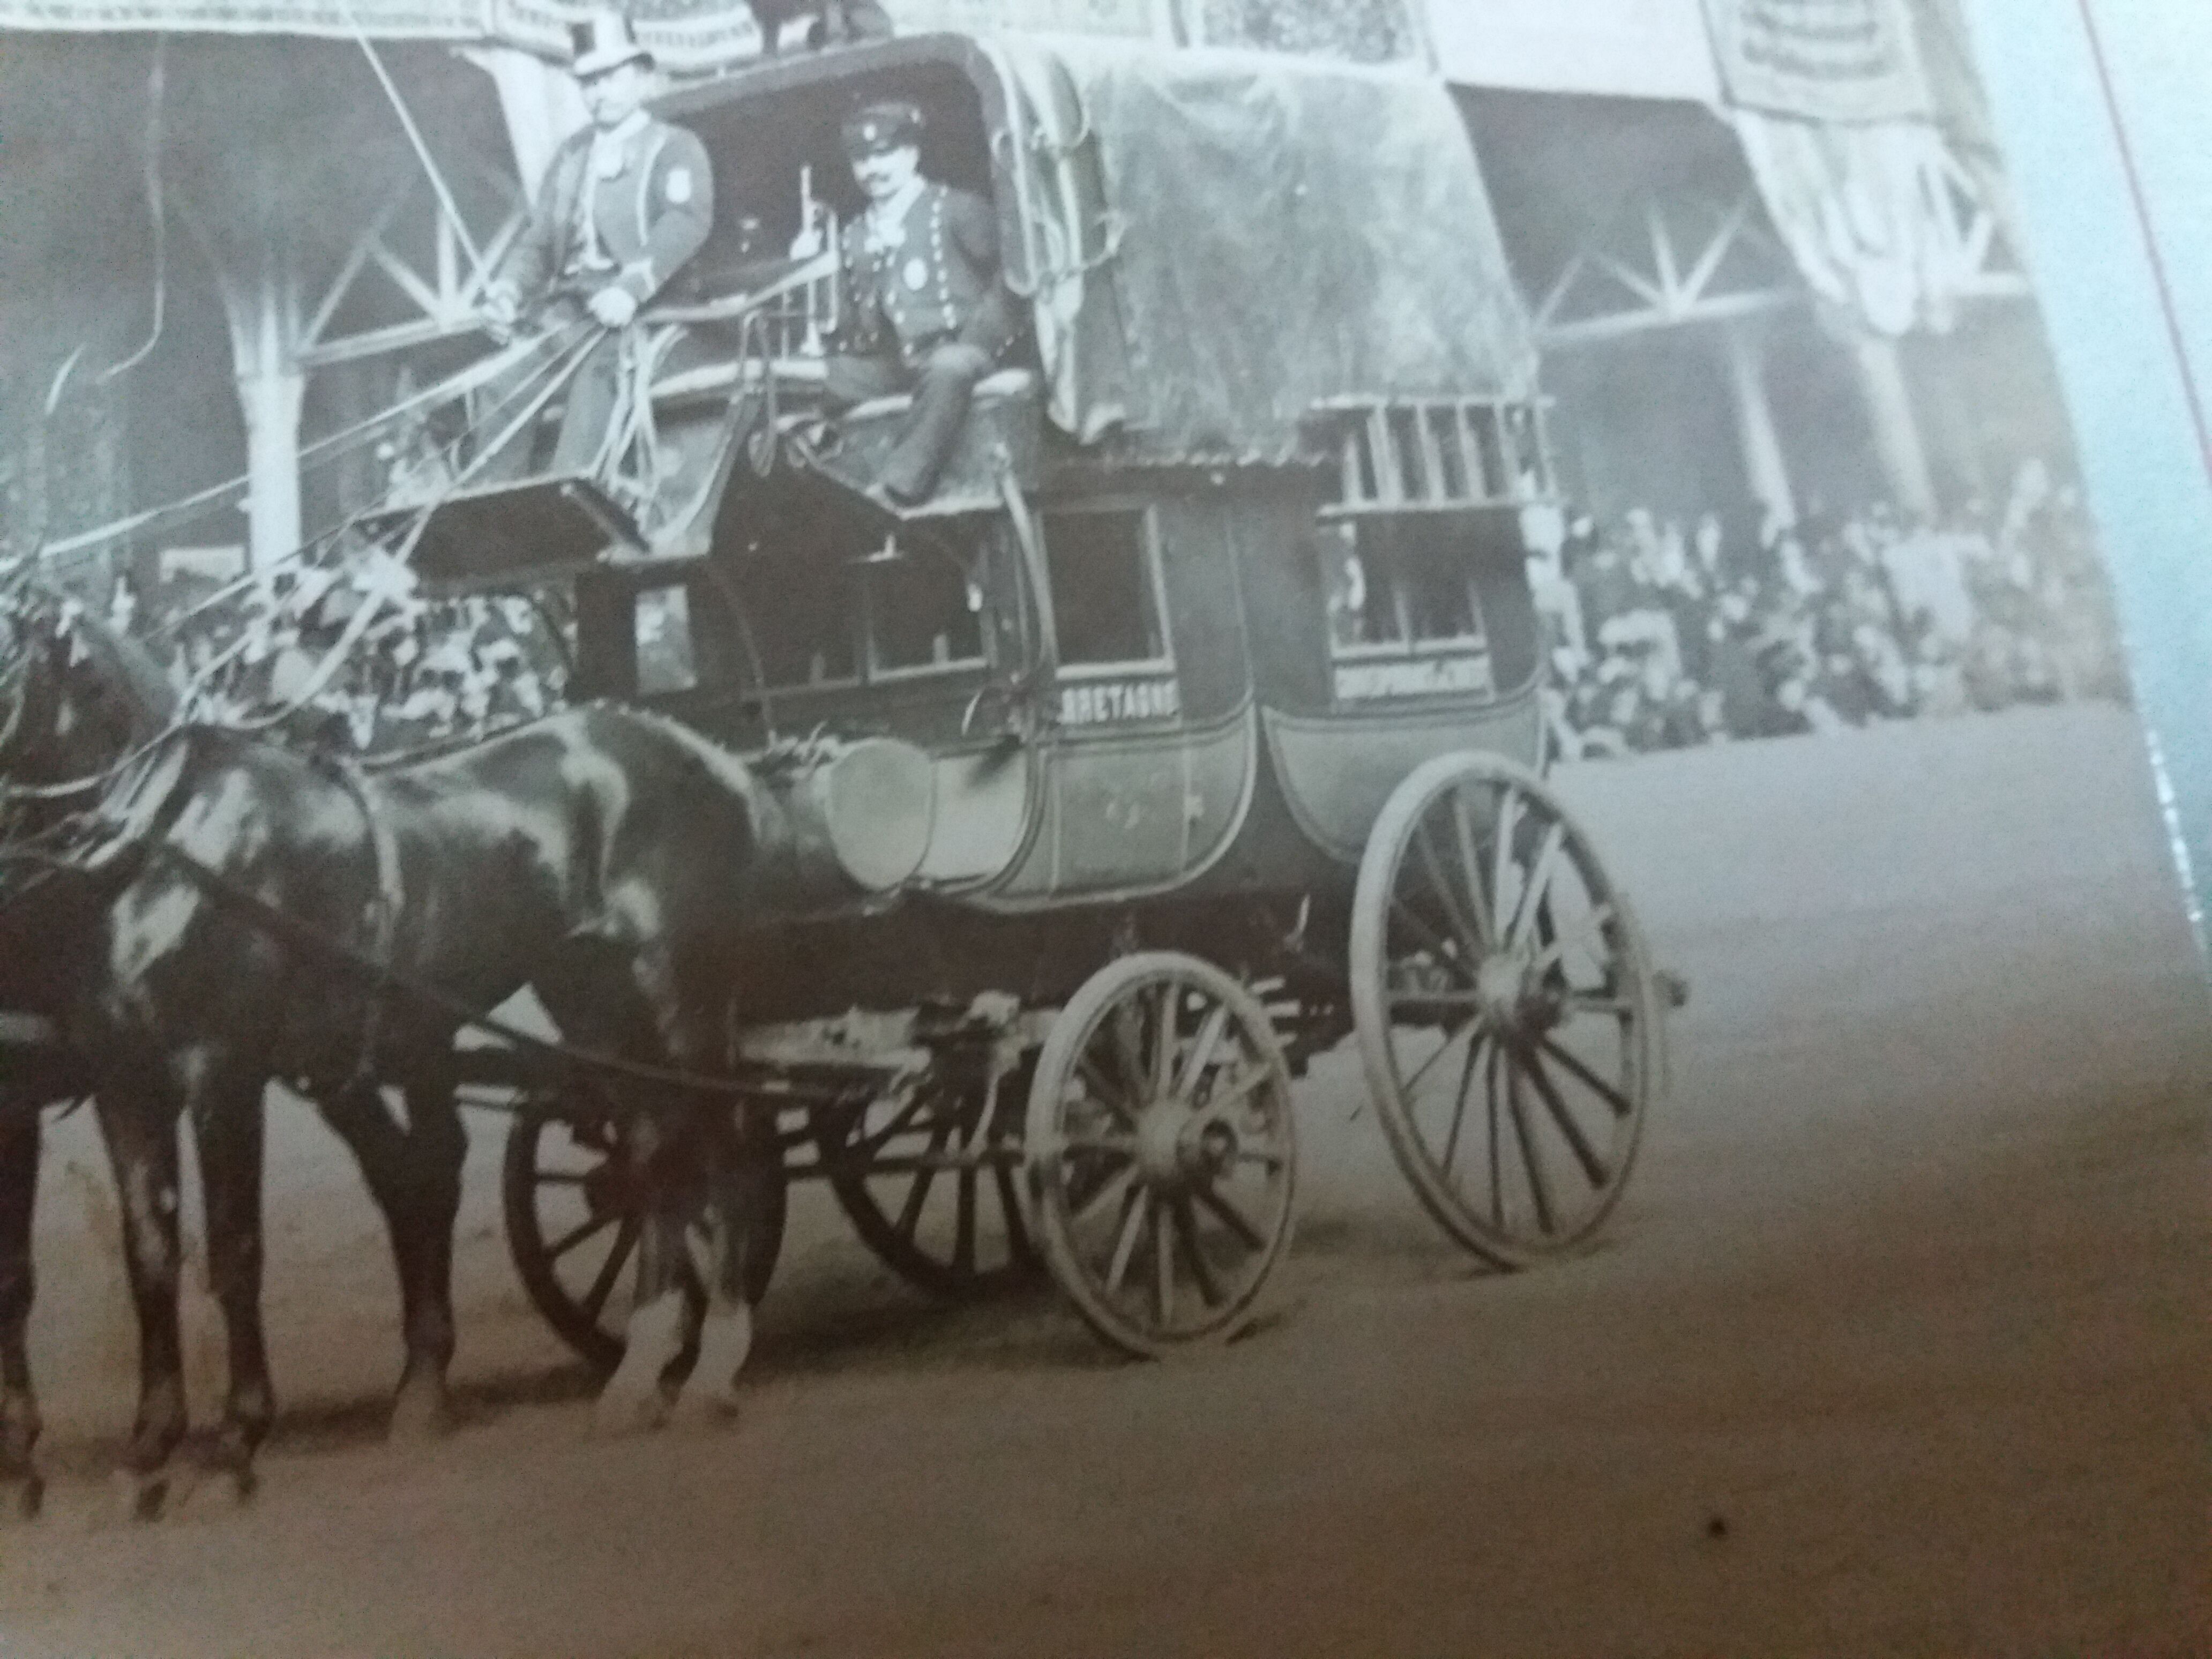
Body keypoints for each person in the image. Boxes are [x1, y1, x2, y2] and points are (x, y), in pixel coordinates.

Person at [475, 12, 713, 483]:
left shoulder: (674, 147)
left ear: (643, 78)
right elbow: (539, 241)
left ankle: (571, 492)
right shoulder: (570, 156)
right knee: (502, 379)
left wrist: (630, 288)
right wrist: (506, 292)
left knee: (599, 372)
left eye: (611, 78)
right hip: (569, 315)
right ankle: (493, 507)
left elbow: (686, 222)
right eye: (588, 82)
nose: (599, 93)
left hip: (645, 315)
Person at [824, 99, 1019, 509]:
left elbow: (1014, 275)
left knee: (949, 367)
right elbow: (852, 320)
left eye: (884, 155)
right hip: (897, 364)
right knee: (819, 379)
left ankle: (897, 490)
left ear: (912, 154)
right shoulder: (854, 235)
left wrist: (978, 340)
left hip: (960, 352)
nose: (873, 170)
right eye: (861, 160)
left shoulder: (955, 209)